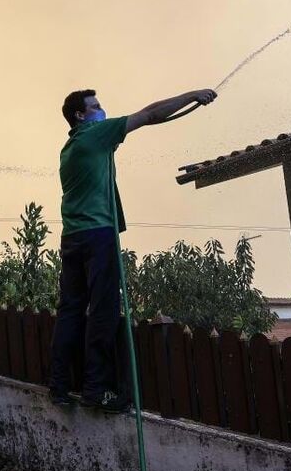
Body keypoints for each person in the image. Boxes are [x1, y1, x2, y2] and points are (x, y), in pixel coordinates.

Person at [50, 88, 217, 413]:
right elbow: (149, 114)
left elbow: (146, 121)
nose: (102, 109)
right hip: (98, 235)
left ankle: (58, 386)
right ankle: (95, 391)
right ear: (81, 116)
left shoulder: (70, 148)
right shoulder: (95, 135)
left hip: (72, 238)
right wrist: (193, 95)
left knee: (70, 311)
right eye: (95, 106)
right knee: (104, 310)